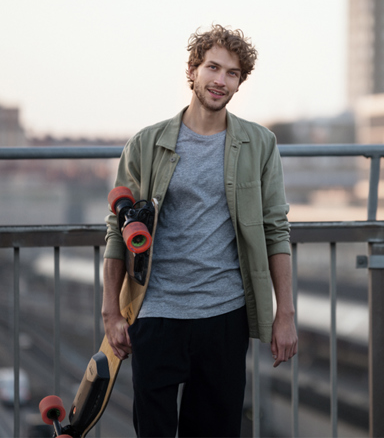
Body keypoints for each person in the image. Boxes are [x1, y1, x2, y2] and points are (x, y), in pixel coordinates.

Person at [102, 24, 297, 437]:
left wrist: (286, 315)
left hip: (224, 318)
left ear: (240, 83)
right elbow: (117, 230)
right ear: (192, 71)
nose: (220, 80)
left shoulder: (260, 145)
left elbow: (275, 229)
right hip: (156, 315)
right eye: (213, 67)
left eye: (232, 73)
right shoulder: (146, 144)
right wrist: (111, 312)